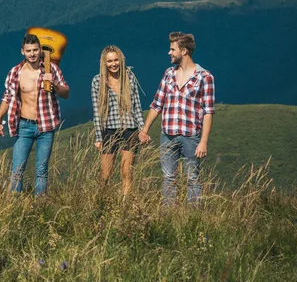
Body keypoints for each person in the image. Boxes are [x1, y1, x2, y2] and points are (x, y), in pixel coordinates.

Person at [138, 32, 215, 205]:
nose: (169, 52)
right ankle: (169, 216)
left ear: (184, 51)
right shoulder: (168, 74)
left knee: (193, 179)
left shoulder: (204, 77)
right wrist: (144, 130)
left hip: (190, 136)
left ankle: (193, 218)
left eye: (172, 49)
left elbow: (208, 111)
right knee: (168, 178)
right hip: (168, 135)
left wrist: (203, 141)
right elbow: (157, 103)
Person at [0, 34, 70, 196]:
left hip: (46, 126)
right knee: (17, 169)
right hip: (24, 126)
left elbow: (65, 93)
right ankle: (14, 206)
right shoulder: (15, 73)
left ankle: (40, 206)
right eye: (29, 51)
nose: (32, 54)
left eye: (35, 50)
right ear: (23, 51)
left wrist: (54, 83)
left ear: (40, 50)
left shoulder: (52, 69)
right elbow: (7, 97)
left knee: (41, 170)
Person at [91, 46, 145, 194]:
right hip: (108, 129)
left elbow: (137, 105)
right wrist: (98, 137)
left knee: (127, 173)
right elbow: (96, 111)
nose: (113, 64)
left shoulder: (129, 77)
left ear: (121, 60)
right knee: (105, 174)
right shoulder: (97, 81)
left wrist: (142, 130)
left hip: (130, 129)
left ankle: (124, 205)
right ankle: (101, 201)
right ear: (104, 63)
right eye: (109, 61)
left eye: (116, 60)